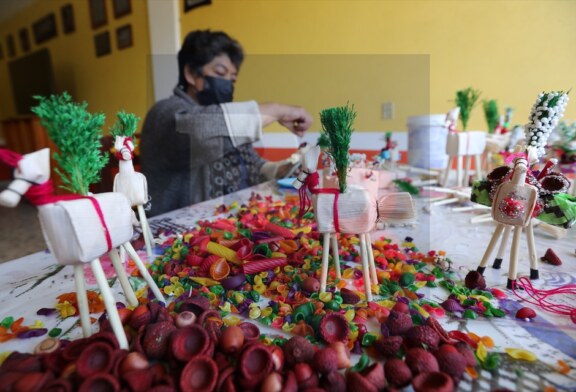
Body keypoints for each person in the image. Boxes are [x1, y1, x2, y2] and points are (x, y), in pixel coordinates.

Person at [140, 30, 313, 216]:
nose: (228, 84)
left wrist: (283, 169)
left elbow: (253, 165)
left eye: (232, 79)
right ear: (190, 73)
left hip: (231, 224)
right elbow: (199, 132)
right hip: (174, 234)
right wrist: (278, 110)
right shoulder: (164, 113)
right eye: (220, 73)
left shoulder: (225, 118)